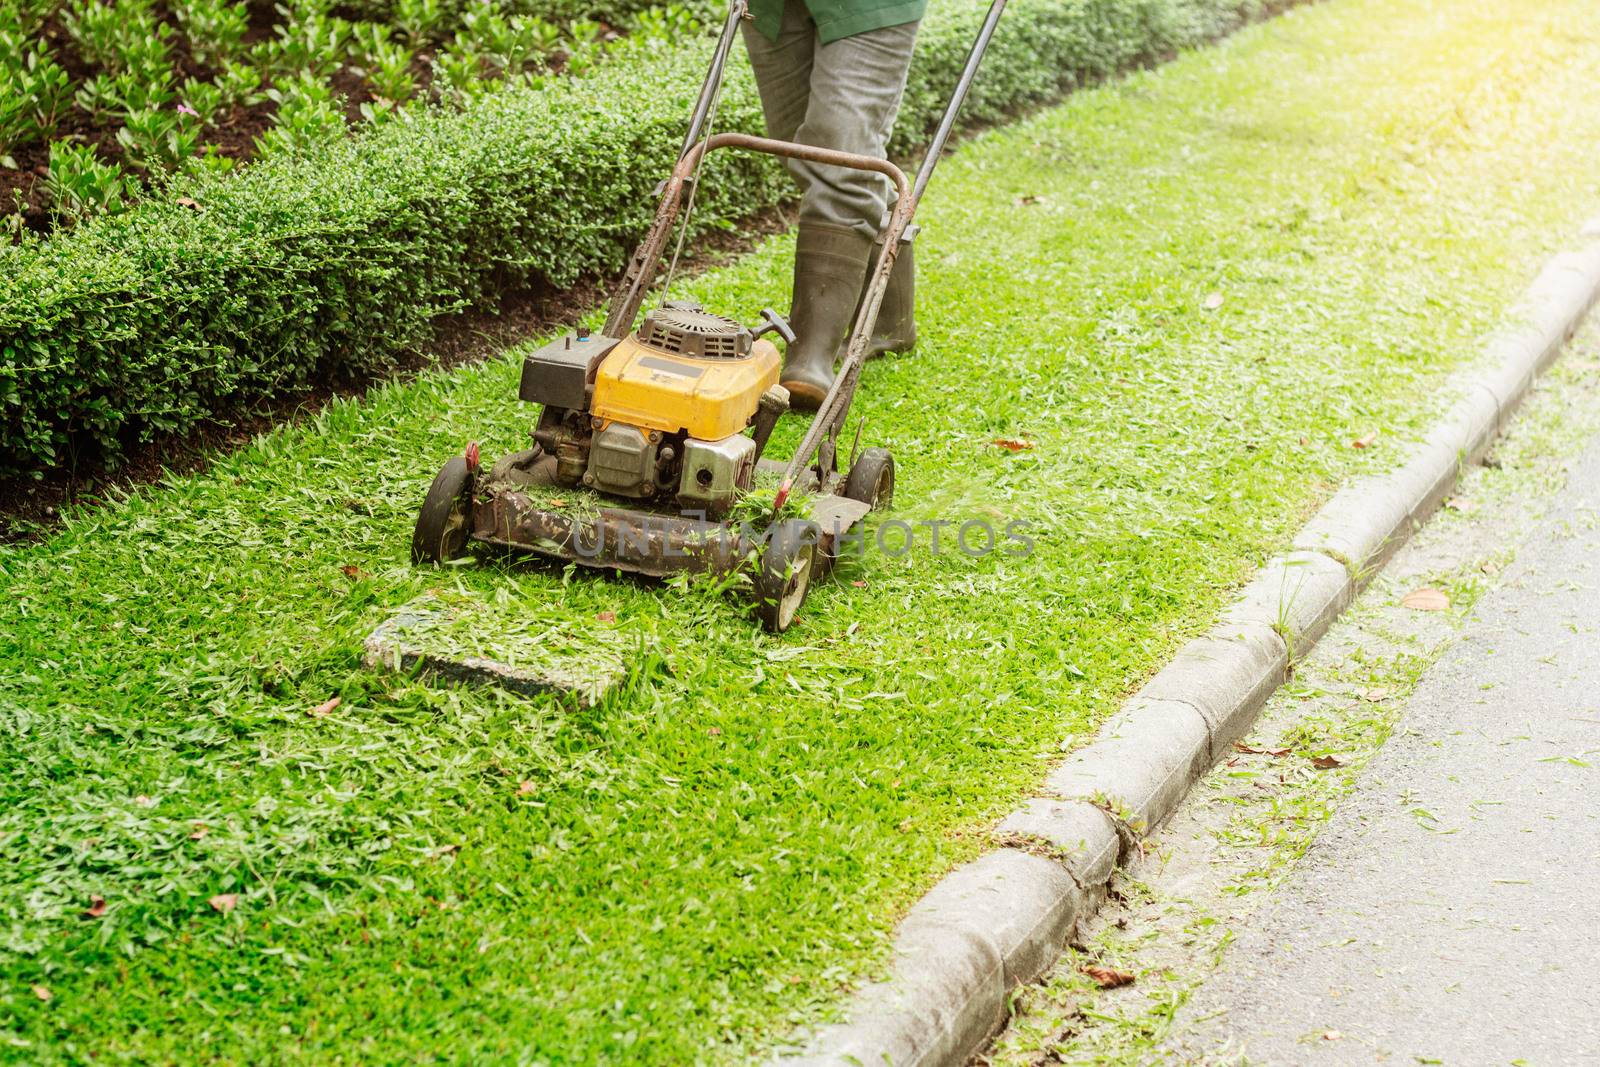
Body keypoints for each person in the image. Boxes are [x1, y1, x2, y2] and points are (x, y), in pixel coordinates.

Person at [742, 0, 924, 409]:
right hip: (773, 9)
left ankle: (810, 354)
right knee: (802, 149)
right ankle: (889, 322)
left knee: (839, 153)